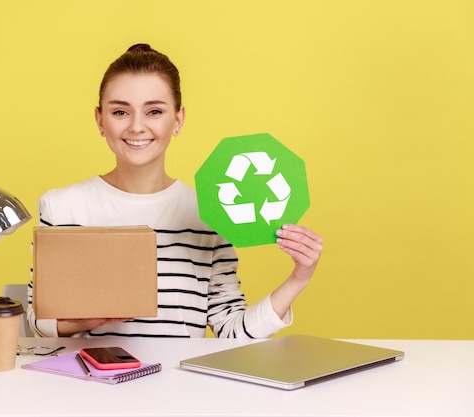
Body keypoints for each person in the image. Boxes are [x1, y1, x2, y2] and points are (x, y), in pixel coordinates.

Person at [27, 43, 323, 338]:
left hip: (178, 384)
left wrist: (299, 278)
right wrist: (89, 320)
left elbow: (232, 333)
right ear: (100, 120)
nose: (137, 126)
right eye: (120, 111)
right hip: (87, 381)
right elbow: (38, 321)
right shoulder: (60, 208)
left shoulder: (210, 213)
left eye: (154, 111)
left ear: (178, 120)